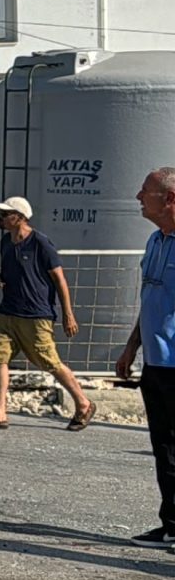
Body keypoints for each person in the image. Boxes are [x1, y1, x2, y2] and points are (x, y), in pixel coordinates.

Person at [0, 196, 93, 432]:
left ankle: (83, 402)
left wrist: (68, 314)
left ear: (19, 217)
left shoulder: (40, 242)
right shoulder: (7, 241)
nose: (0, 218)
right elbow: (11, 275)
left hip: (36, 314)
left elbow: (59, 279)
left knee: (49, 361)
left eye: (5, 214)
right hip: (8, 312)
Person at [118, 167, 175, 545]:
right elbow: (151, 298)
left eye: (146, 192)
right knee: (164, 446)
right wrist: (132, 346)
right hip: (156, 363)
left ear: (170, 199)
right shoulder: (156, 241)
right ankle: (171, 522)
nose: (139, 197)